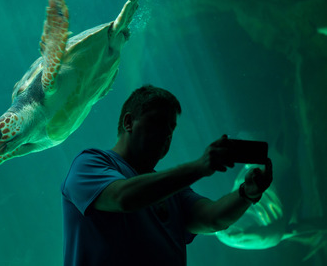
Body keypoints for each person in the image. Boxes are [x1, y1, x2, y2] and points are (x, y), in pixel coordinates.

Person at [61, 85, 273, 266]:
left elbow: (212, 219)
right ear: (128, 123)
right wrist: (199, 166)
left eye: (171, 127)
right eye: (158, 122)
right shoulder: (90, 163)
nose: (167, 133)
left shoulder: (172, 189)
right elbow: (122, 198)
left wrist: (246, 194)